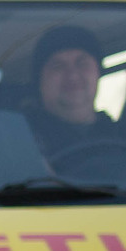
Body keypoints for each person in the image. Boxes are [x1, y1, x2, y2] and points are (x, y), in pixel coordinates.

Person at [22, 24, 117, 157]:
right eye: (58, 66)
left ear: (98, 73)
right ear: (40, 81)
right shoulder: (18, 142)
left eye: (82, 63)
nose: (72, 75)